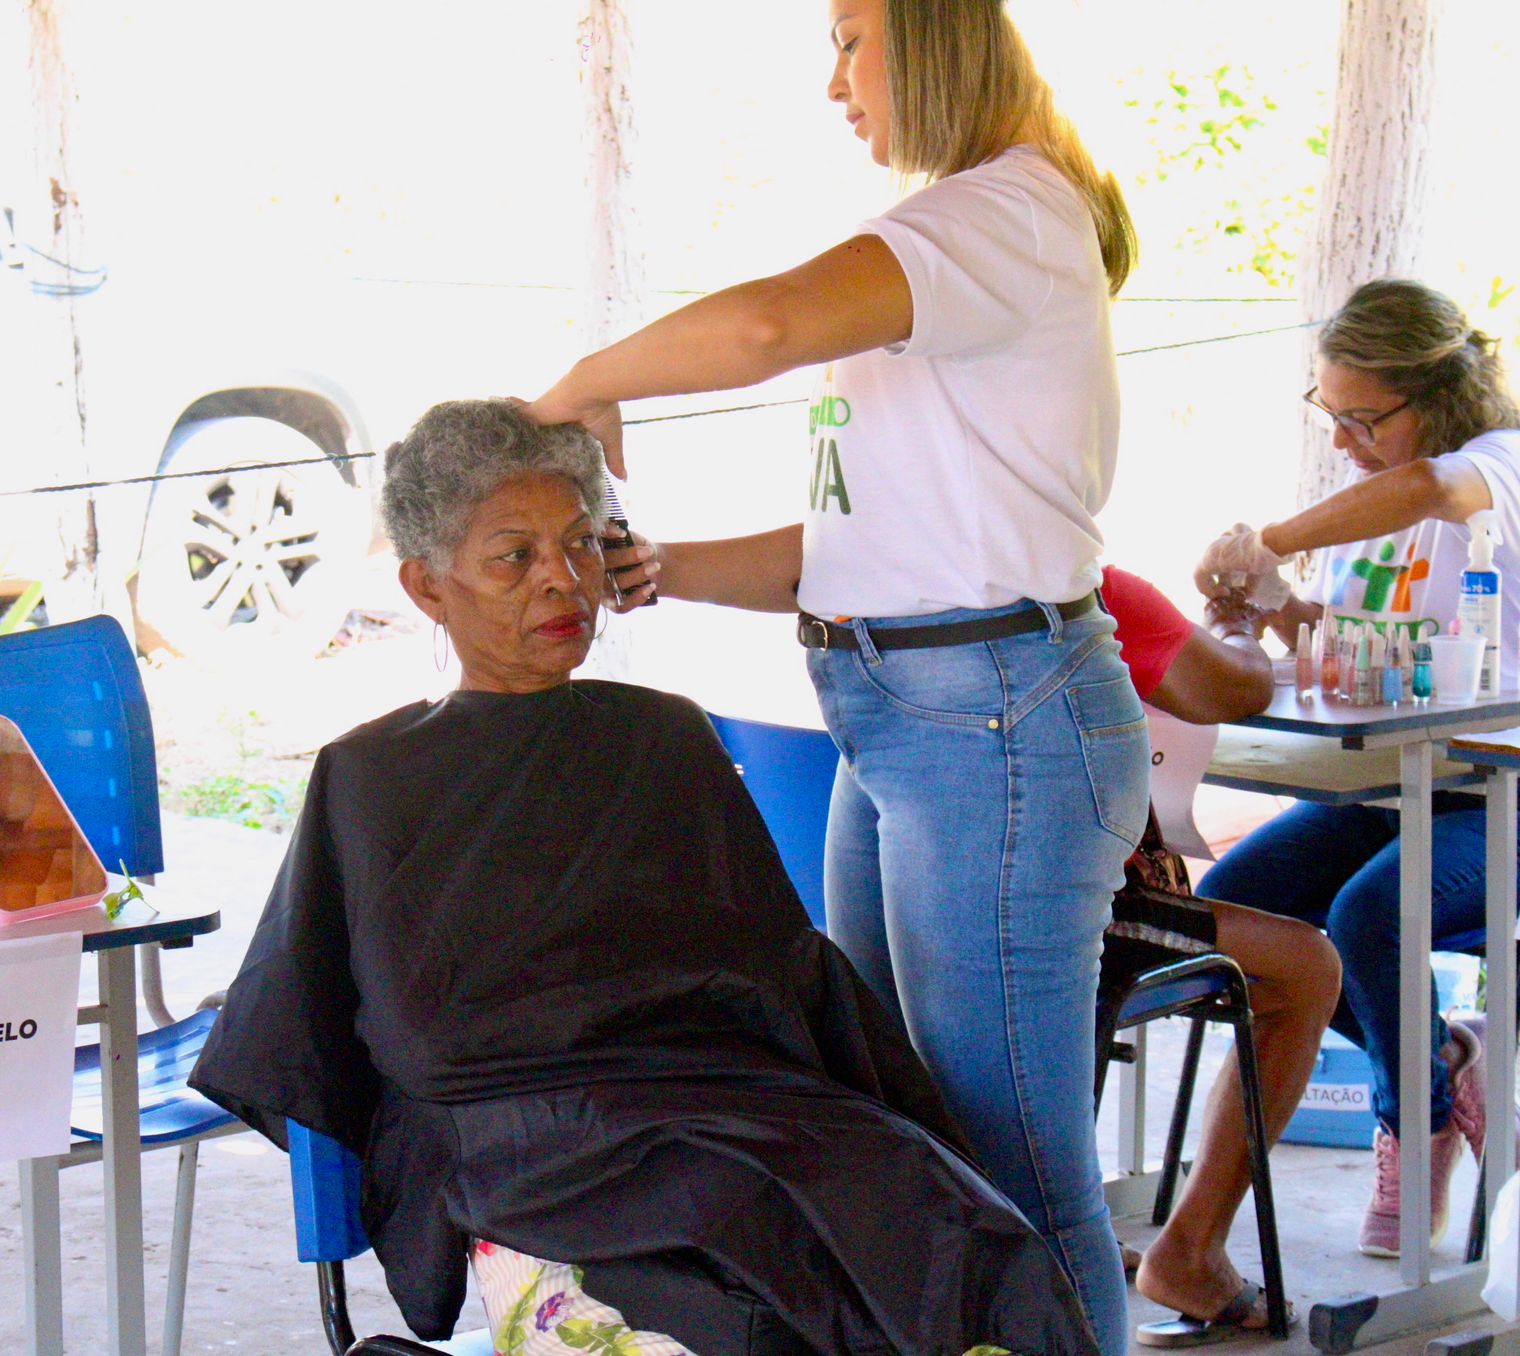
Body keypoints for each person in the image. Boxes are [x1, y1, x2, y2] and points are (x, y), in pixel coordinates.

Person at [189, 400, 1098, 1356]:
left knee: (979, 1258)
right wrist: (610, 1067)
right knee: (737, 1322)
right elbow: (409, 1032)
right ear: (427, 588)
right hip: (539, 1158)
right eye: (515, 557)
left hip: (737, 1119)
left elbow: (780, 974)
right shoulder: (371, 774)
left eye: (581, 546)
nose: (562, 581)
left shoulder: (663, 734)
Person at [524, 3, 1143, 1347]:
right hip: (907, 716)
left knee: (1019, 1165)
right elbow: (864, 550)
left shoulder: (1004, 215)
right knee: (911, 1137)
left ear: (933, 36)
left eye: (850, 38)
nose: (833, 83)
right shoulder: (970, 232)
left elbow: (761, 330)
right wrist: (670, 567)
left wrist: (580, 382)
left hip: (995, 725)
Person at [1191, 278, 1520, 1257]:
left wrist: (1268, 536)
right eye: (1330, 415)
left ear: (1434, 394)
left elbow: (1429, 488)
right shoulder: (1377, 511)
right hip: (1393, 789)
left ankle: (1417, 1117)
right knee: (1234, 915)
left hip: (1518, 798)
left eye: (1362, 418)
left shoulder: (1497, 467)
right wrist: (1269, 603)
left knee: (1369, 914)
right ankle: (1439, 1060)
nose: (1343, 440)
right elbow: (1346, 647)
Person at [1095, 567, 1339, 1344]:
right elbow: (1235, 687)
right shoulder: (1084, 585)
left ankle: (1083, 1220)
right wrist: (1236, 628)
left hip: (924, 901)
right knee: (1306, 967)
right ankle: (1192, 1250)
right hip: (1080, 912)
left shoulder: (907, 578)